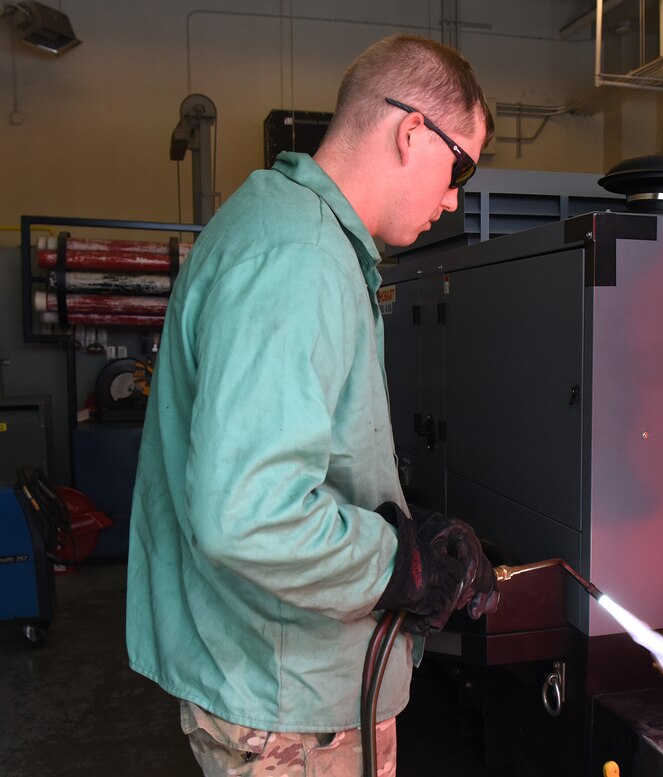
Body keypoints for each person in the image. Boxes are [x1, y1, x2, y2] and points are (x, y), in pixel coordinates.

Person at [126, 34, 498, 777]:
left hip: (280, 679)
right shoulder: (295, 256)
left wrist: (407, 529)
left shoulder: (286, 230)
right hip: (290, 703)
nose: (456, 197)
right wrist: (400, 564)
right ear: (411, 130)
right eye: (461, 167)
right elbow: (251, 513)